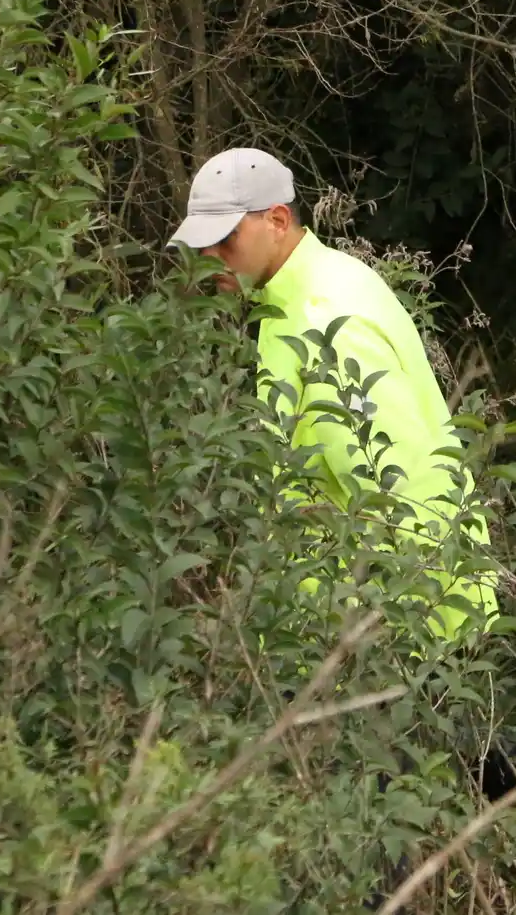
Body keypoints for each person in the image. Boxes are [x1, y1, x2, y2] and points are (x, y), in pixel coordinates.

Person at [168, 147, 498, 649]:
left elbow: (391, 482)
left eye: (225, 239)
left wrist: (417, 631)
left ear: (277, 220)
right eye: (201, 245)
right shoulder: (300, 295)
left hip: (402, 632)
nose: (208, 258)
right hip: (363, 620)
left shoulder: (325, 317)